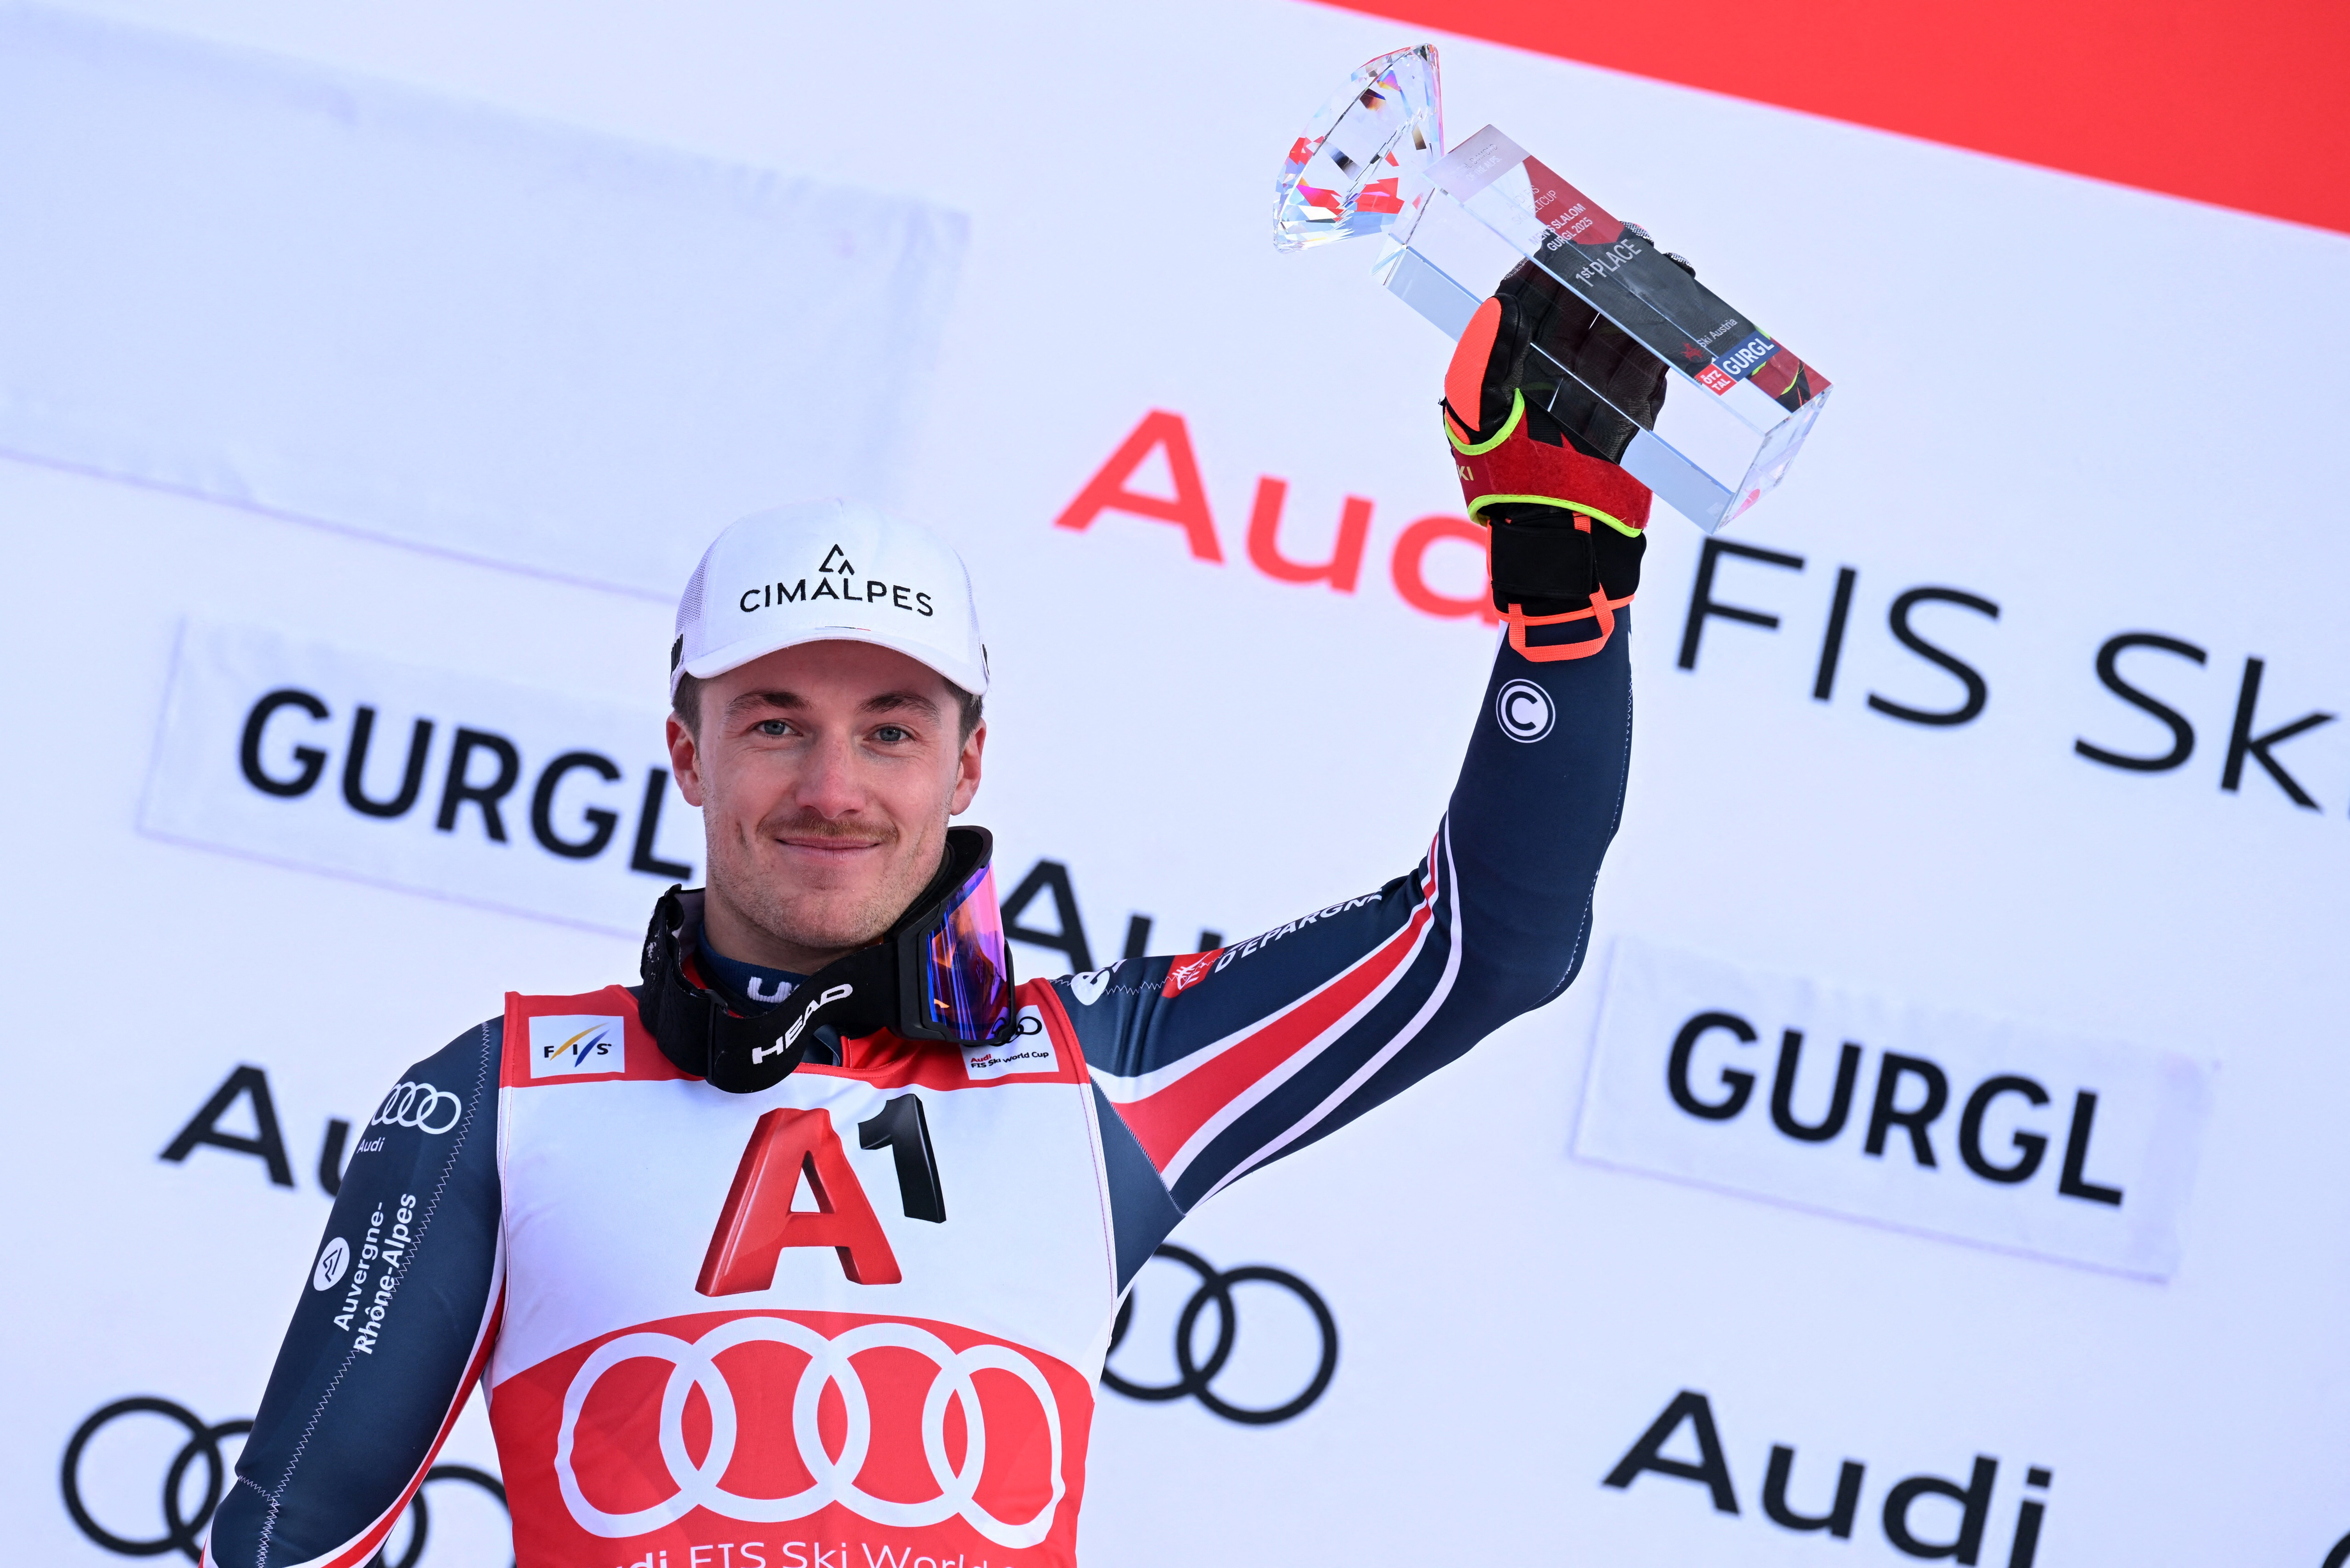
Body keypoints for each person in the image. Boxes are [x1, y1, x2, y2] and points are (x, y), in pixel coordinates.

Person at [203, 265, 1662, 1568]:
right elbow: (280, 1542)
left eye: (891, 730)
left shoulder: (1107, 1072)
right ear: (687, 750)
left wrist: (1563, 621)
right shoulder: (497, 1098)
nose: (832, 787)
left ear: (969, 761)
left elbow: (1490, 945)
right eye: (776, 723)